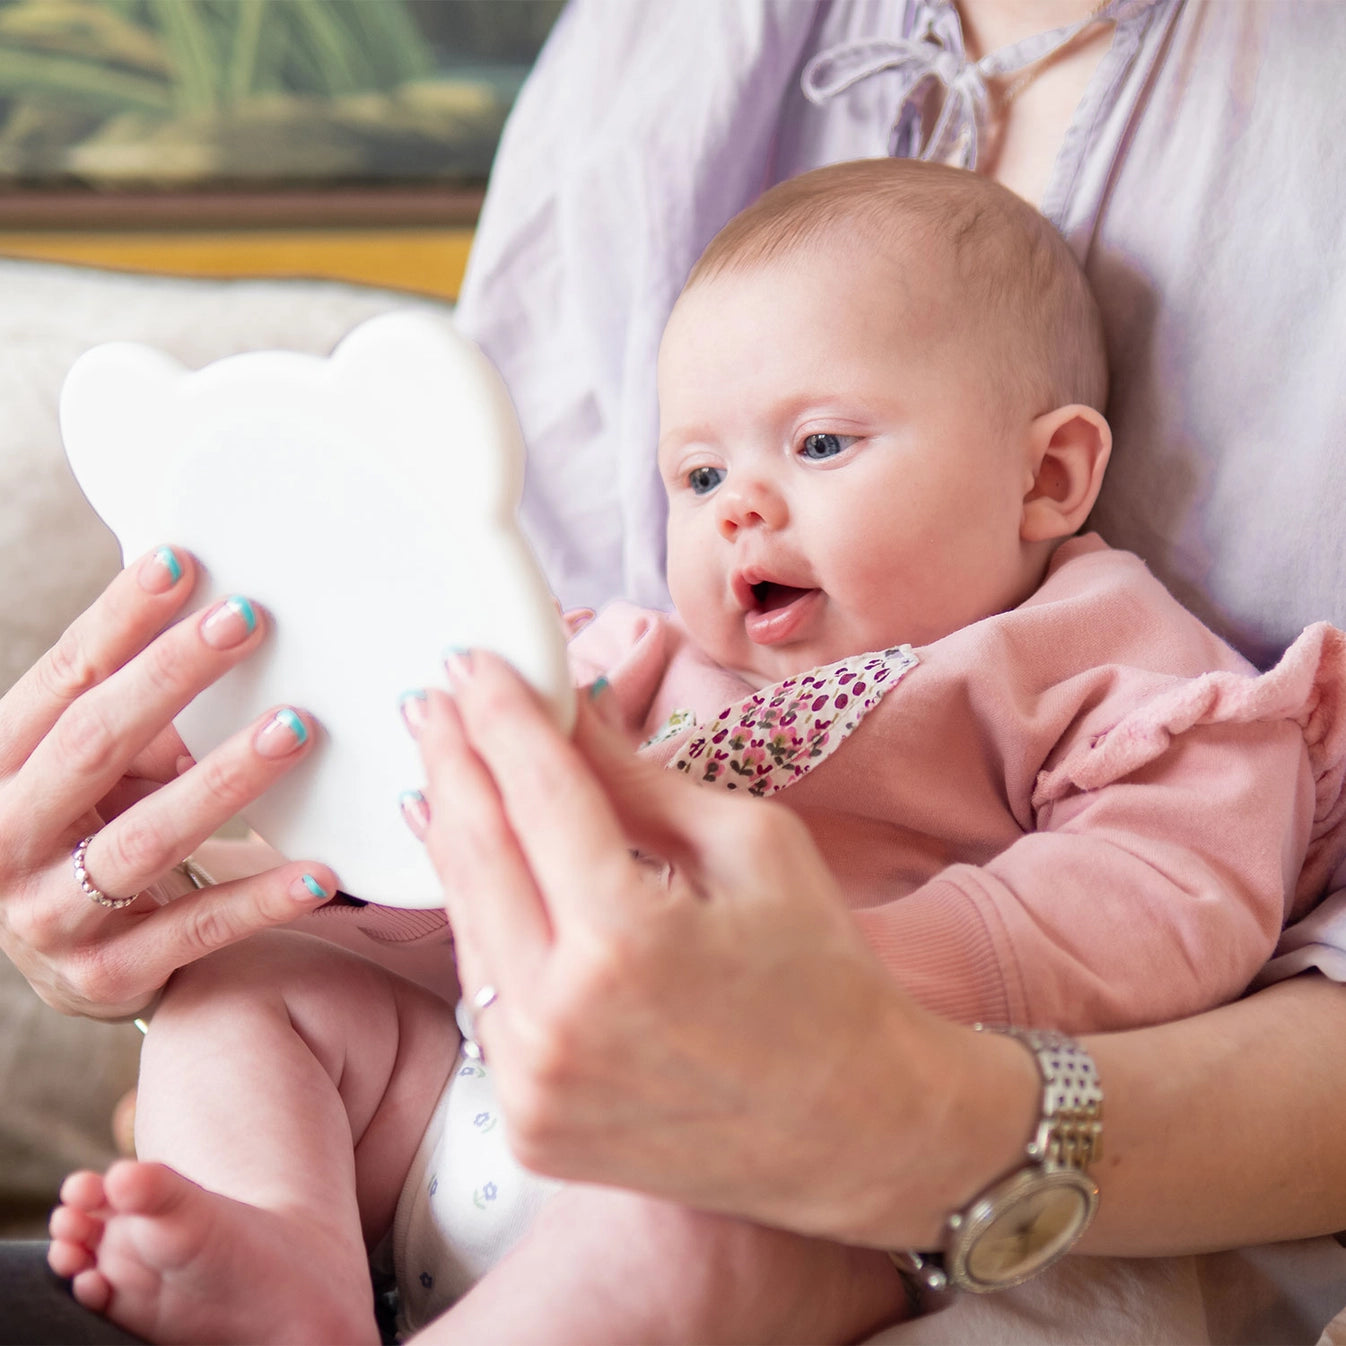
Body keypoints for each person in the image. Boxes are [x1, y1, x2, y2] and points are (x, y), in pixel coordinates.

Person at [4, 0, 1346, 1342]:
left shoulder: (1103, 662)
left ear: (1045, 475)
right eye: (697, 474)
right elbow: (437, 861)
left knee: (700, 1221)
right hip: (473, 1092)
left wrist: (864, 972)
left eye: (817, 445)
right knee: (253, 999)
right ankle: (285, 1253)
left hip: (813, 1157)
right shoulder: (629, 660)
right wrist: (216, 876)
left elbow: (1166, 897)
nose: (735, 510)